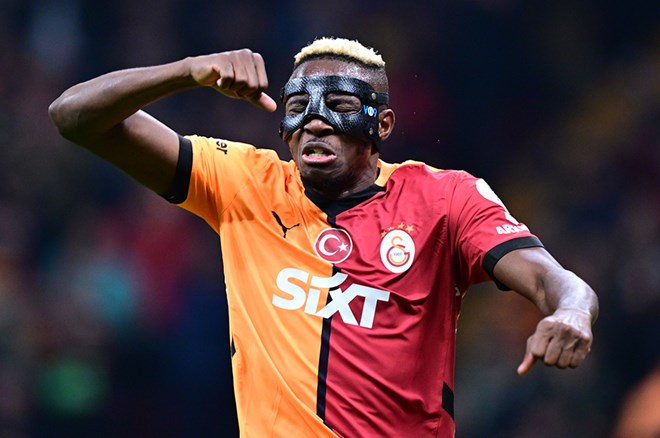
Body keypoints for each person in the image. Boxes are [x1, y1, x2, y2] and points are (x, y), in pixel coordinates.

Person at [49, 37, 599, 437]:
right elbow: (74, 115)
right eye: (298, 108)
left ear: (382, 126)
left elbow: (554, 280)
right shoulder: (244, 183)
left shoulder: (443, 199)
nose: (314, 121)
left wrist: (571, 312)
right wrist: (187, 71)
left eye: (339, 107)